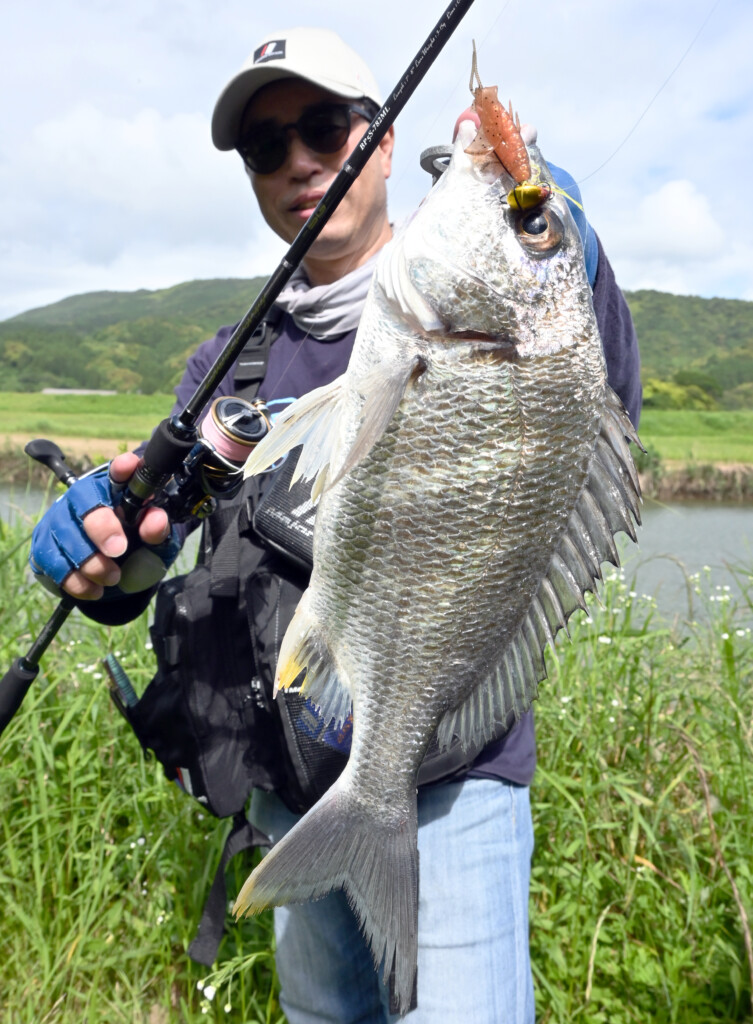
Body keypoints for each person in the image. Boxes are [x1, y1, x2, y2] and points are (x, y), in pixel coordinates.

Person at [28, 26, 642, 1024]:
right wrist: (107, 553)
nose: (299, 161)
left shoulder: (529, 328)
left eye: (323, 127)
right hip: (291, 785)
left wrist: (558, 245)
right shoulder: (229, 364)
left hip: (452, 781)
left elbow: (591, 395)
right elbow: (152, 544)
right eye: (265, 146)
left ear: (384, 141)